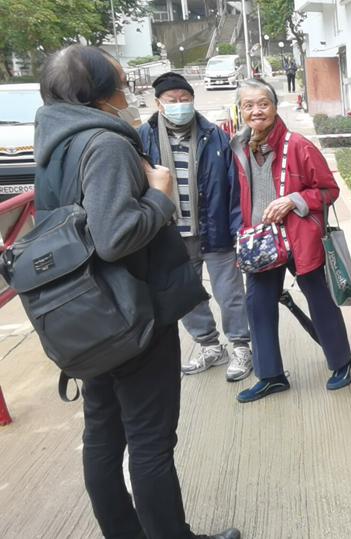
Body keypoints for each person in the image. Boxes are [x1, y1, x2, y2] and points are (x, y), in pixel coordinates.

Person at [33, 45, 240, 539]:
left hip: (87, 315)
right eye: (121, 84)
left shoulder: (54, 143)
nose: (127, 94)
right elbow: (114, 236)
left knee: (103, 434)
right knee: (150, 442)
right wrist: (160, 197)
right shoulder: (104, 144)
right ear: (98, 93)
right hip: (132, 315)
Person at [229, 78, 351, 403]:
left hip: (300, 240)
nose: (256, 111)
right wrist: (239, 231)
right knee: (258, 306)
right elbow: (235, 196)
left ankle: (344, 362)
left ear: (275, 107)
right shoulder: (238, 148)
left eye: (263, 103)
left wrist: (294, 200)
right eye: (248, 105)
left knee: (320, 300)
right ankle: (271, 376)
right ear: (240, 110)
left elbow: (329, 190)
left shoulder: (298, 145)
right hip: (261, 242)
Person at [138, 72, 253, 382]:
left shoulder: (214, 136)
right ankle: (209, 346)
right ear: (159, 104)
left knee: (230, 294)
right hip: (170, 234)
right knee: (187, 297)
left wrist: (237, 228)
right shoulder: (142, 139)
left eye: (185, 99)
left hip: (214, 230)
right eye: (172, 100)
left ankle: (241, 346)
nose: (180, 105)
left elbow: (232, 186)